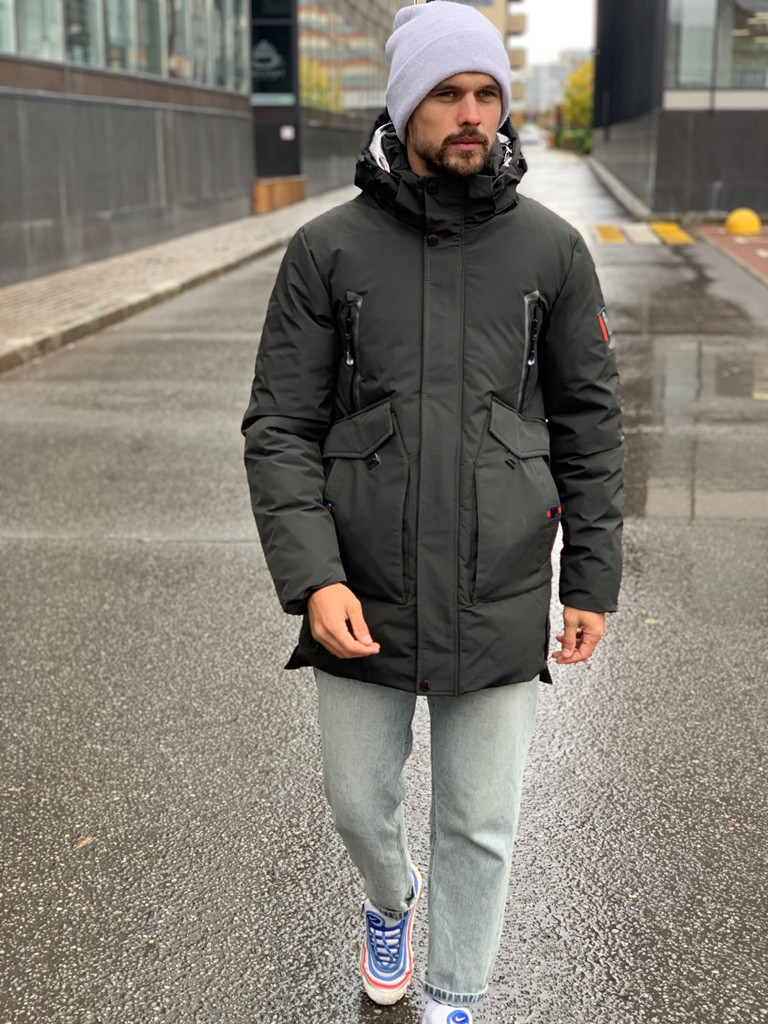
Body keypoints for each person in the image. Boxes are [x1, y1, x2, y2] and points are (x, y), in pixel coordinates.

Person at [241, 3, 623, 1021]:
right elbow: (280, 425)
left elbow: (590, 426)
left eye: (487, 93)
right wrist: (314, 577)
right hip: (361, 588)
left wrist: (590, 581)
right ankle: (389, 901)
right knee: (359, 807)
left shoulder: (552, 250)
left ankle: (456, 994)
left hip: (500, 585)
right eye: (448, 93)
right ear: (405, 103)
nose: (472, 113)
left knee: (481, 823)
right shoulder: (326, 250)